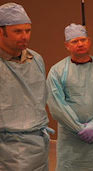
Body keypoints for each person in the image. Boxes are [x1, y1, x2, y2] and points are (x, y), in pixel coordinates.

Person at [46, 23, 93, 171]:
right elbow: (57, 106)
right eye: (74, 41)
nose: (80, 44)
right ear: (67, 45)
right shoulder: (57, 71)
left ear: (89, 41)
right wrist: (79, 129)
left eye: (83, 40)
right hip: (70, 139)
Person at [0, 3, 50, 171]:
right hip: (7, 147)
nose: (25, 36)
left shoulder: (35, 59)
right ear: (1, 32)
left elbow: (40, 97)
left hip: (39, 142)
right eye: (17, 31)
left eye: (27, 31)